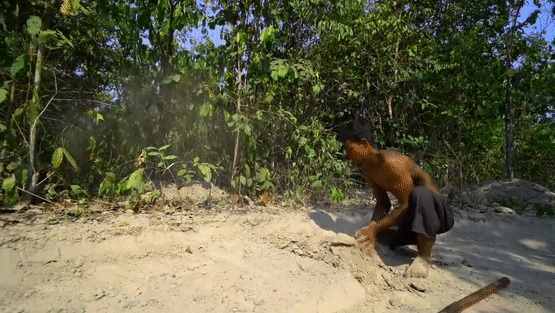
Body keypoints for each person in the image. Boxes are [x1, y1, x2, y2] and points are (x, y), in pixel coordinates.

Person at [337, 117, 454, 278]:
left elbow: (408, 205)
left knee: (419, 193)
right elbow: (383, 203)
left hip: (436, 214)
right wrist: (372, 228)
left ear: (364, 144)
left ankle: (423, 257)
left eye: (349, 149)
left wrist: (377, 227)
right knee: (379, 240)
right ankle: (415, 241)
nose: (347, 155)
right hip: (413, 217)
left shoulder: (392, 163)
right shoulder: (368, 169)